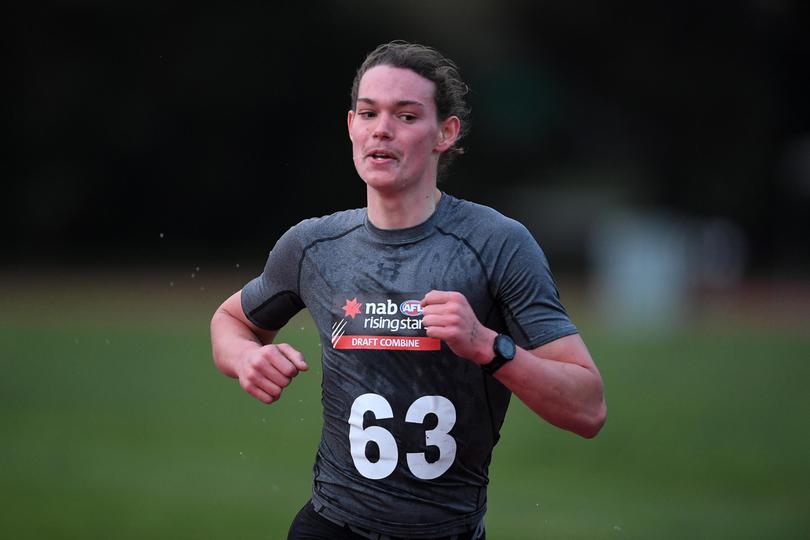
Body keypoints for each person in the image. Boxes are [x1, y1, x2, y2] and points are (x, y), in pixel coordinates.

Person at [210, 41, 606, 540]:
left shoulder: (497, 244)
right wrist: (246, 358)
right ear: (350, 126)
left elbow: (588, 408)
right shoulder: (314, 245)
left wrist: (489, 347)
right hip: (331, 526)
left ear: (446, 132)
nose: (381, 128)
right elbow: (231, 321)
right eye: (368, 113)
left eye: (406, 115)